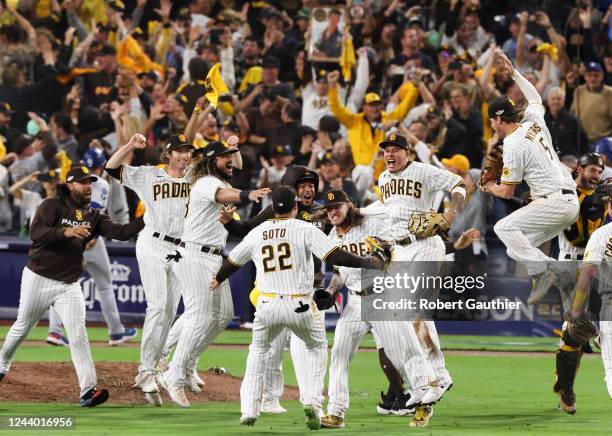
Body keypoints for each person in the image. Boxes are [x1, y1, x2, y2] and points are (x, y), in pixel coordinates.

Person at [210, 186, 387, 428]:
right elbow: (335, 257)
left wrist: (218, 278)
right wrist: (366, 261)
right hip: (300, 304)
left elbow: (233, 260)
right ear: (295, 207)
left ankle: (249, 410)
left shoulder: (259, 231)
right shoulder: (304, 228)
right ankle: (312, 403)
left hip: (267, 304)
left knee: (258, 352)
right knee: (315, 348)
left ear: (273, 209)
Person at [0, 166, 145, 407]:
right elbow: (36, 233)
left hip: (69, 284)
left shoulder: (94, 215)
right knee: (23, 326)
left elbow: (120, 233)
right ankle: (2, 365)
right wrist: (66, 231)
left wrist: (146, 218)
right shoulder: (52, 205)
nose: (88, 186)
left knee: (78, 334)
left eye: (90, 182)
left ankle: (88, 390)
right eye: (82, 182)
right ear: (70, 185)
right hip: (39, 277)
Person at [159, 139, 269, 408]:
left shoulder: (217, 180)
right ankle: (172, 374)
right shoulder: (207, 181)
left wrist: (233, 151)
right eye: (224, 157)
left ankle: (186, 363)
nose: (230, 160)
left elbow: (227, 190)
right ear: (211, 160)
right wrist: (247, 194)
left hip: (212, 255)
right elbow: (222, 195)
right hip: (195, 253)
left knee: (223, 315)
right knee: (199, 315)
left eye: (231, 156)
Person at [378, 132, 467, 427]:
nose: (390, 154)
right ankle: (429, 379)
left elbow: (459, 185)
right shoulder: (382, 180)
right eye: (386, 150)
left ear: (407, 153)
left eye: (395, 149)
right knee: (400, 318)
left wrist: (450, 214)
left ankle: (438, 376)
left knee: (415, 310)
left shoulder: (422, 170)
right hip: (399, 250)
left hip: (426, 244)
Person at [480, 49, 580, 305]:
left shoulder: (513, 144)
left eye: (492, 120)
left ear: (499, 119)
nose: (491, 125)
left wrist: (489, 185)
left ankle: (546, 271)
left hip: (554, 202)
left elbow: (507, 193)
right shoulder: (532, 122)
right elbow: (535, 98)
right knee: (517, 248)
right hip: (568, 202)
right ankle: (555, 269)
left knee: (503, 227)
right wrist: (514, 73)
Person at [105, 133, 193, 407]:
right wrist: (130, 146)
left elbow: (231, 166)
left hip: (181, 249)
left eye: (188, 151)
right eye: (179, 151)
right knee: (157, 306)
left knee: (169, 311)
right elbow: (111, 168)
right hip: (152, 243)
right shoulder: (148, 175)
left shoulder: (196, 177)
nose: (184, 155)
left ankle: (153, 368)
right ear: (167, 154)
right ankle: (145, 370)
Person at [556, 217, 612, 414]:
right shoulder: (573, 198)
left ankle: (599, 335)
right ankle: (566, 388)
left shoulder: (604, 231)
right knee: (573, 331)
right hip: (573, 264)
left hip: (599, 273)